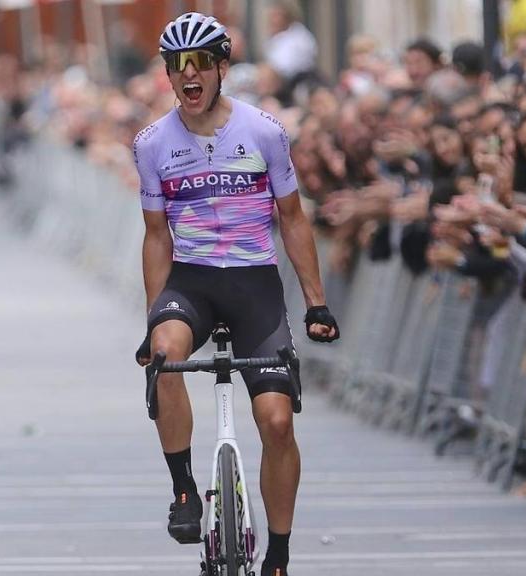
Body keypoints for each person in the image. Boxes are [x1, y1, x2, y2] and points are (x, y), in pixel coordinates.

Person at [133, 13, 339, 576]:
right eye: (178, 66)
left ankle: (278, 552)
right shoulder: (152, 143)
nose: (189, 75)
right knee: (167, 356)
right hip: (192, 280)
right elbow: (156, 236)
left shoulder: (265, 131)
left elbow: (293, 219)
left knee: (276, 422)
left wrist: (316, 301)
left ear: (224, 68)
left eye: (200, 63)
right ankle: (183, 491)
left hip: (254, 283)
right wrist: (155, 319)